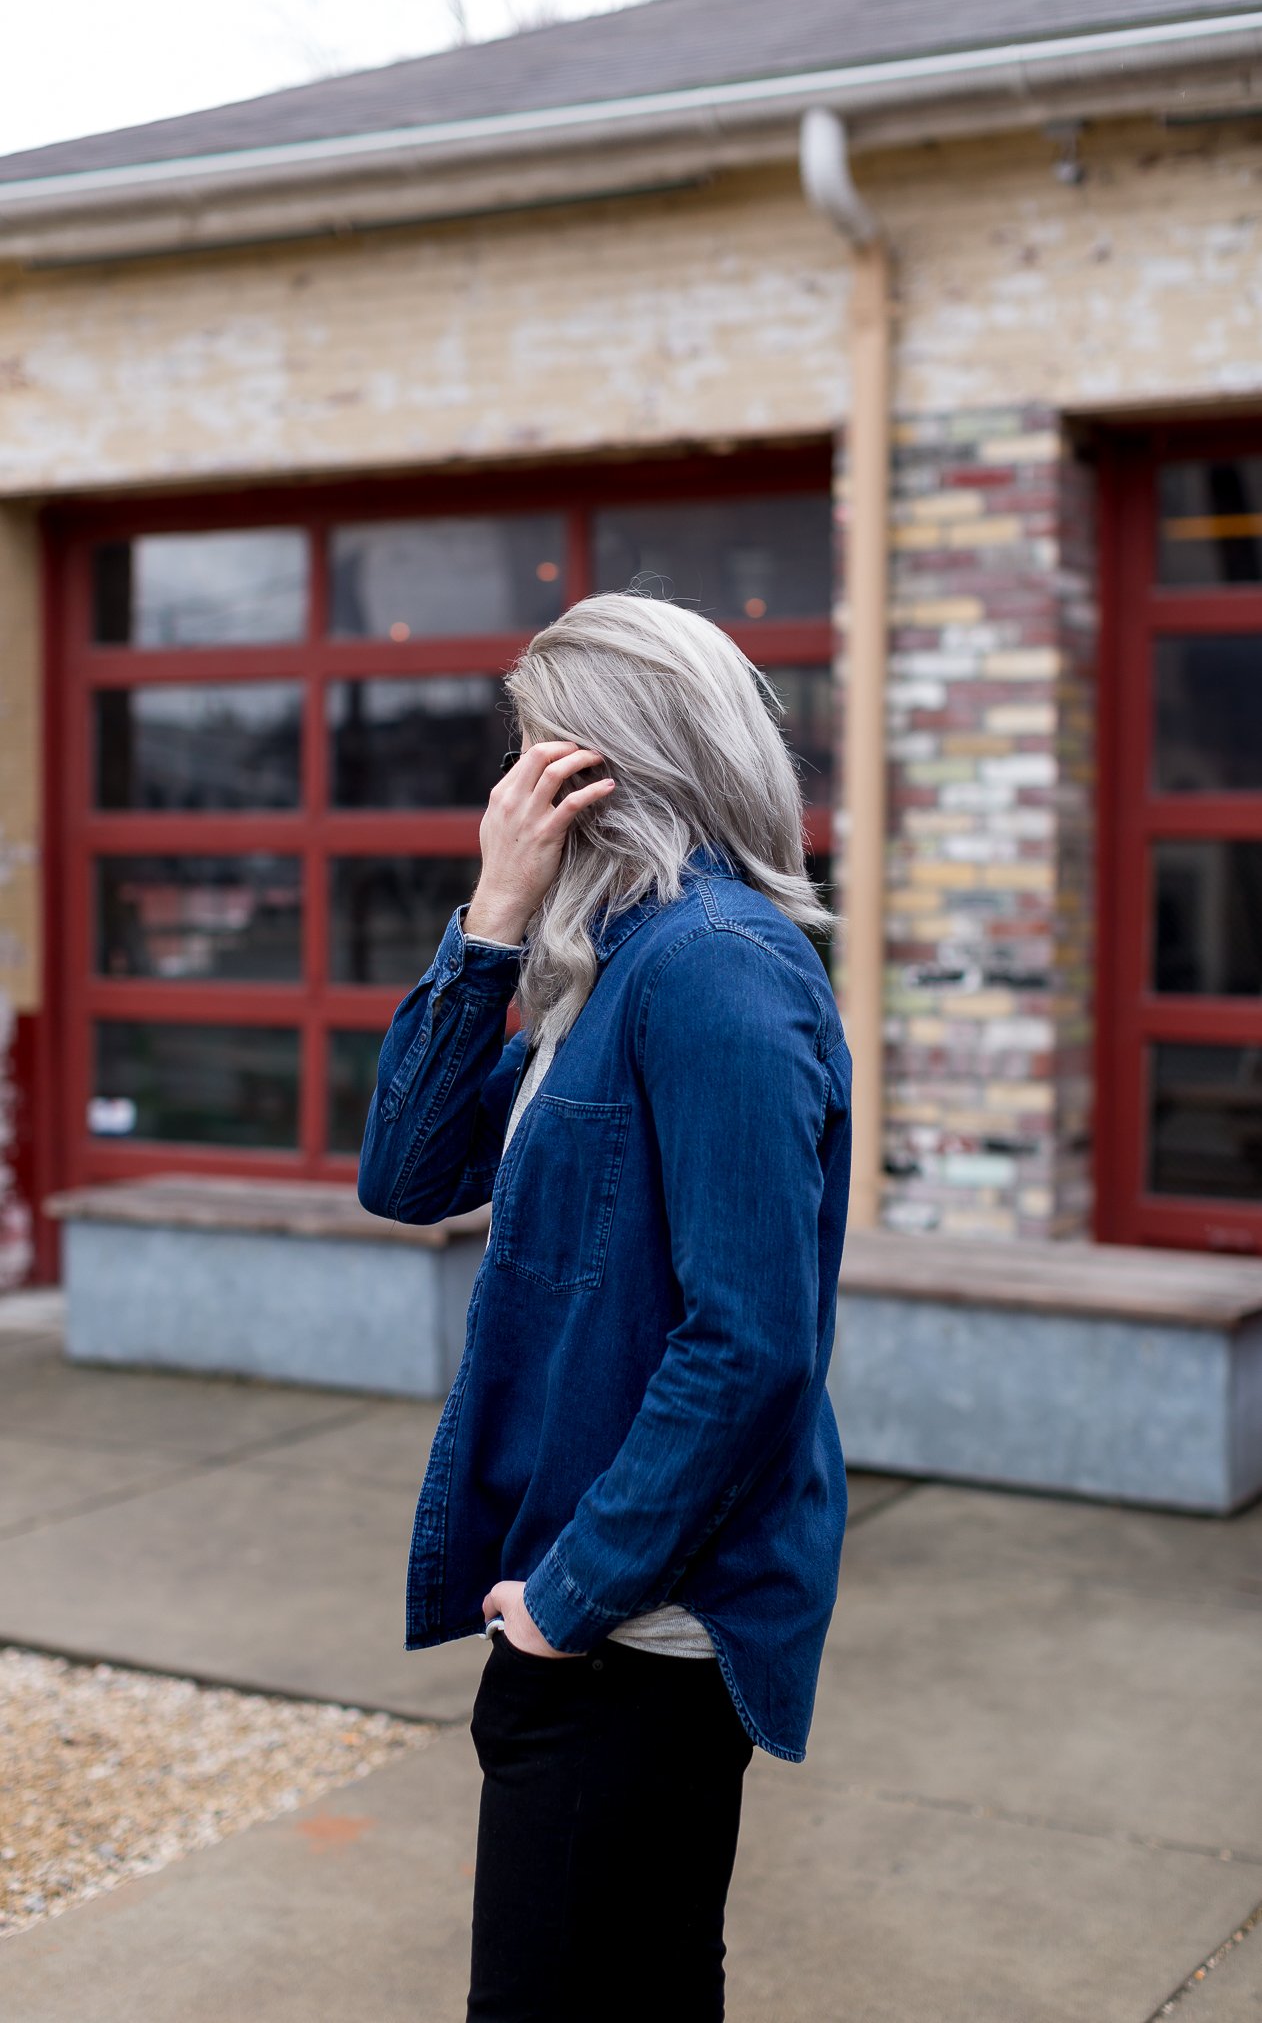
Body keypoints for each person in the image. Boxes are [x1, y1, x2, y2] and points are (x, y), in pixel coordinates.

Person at [357, 591, 854, 2023]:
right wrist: (494, 918)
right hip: (598, 1606)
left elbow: (748, 1342)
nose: (509, 791)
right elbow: (406, 1174)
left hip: (637, 1622)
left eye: (529, 759)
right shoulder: (617, 966)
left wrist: (568, 1602)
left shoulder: (710, 971)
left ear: (596, 772)